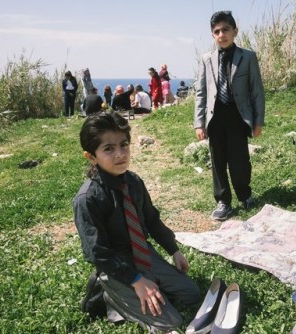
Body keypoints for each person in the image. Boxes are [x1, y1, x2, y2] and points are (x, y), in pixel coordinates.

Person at [73, 112, 201, 332]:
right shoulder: (88, 199)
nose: (120, 154)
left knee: (192, 294)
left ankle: (148, 285)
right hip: (115, 265)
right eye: (108, 149)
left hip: (142, 253)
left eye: (124, 145)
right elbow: (97, 252)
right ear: (91, 157)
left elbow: (151, 219)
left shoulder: (133, 182)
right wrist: (136, 281)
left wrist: (174, 250)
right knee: (171, 322)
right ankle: (112, 297)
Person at [194, 10, 265, 221]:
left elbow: (256, 91)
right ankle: (223, 201)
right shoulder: (207, 59)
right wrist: (199, 122)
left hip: (237, 115)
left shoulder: (248, 57)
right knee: (218, 161)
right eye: (216, 31)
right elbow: (201, 92)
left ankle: (245, 194)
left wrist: (258, 121)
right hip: (215, 117)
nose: (221, 35)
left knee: (239, 160)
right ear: (212, 35)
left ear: (235, 31)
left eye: (225, 29)